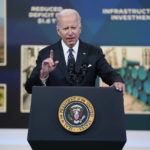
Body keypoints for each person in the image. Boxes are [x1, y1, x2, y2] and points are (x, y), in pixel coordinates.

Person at [25, 8, 125, 94]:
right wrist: (43, 75)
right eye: (65, 28)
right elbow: (29, 88)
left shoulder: (94, 52)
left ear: (80, 29)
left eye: (73, 28)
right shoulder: (45, 54)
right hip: (56, 110)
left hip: (86, 110)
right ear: (58, 30)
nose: (70, 33)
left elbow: (109, 74)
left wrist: (117, 81)